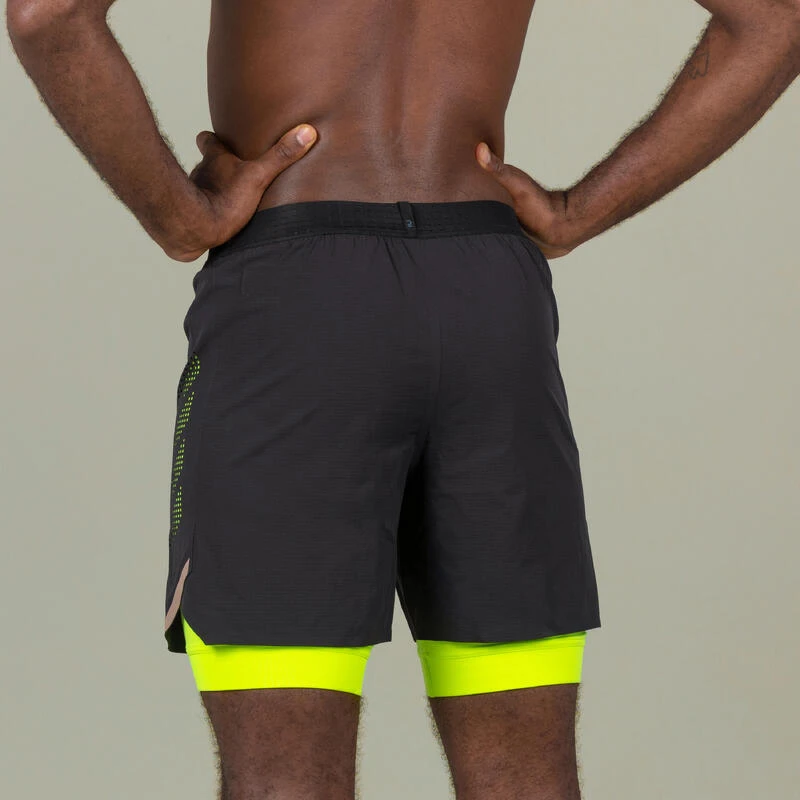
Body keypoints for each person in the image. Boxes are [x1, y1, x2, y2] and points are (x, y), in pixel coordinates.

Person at [8, 0, 799, 797]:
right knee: (526, 780)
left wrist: (181, 217)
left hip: (299, 294)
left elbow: (47, 14)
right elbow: (776, 20)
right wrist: (576, 211)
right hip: (490, 294)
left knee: (285, 781)